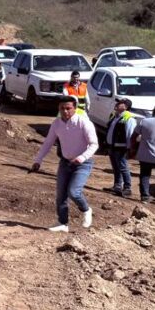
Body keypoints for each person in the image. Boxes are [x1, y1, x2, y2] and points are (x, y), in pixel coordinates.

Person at [30, 96, 98, 232]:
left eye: (68, 108)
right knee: (61, 195)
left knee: (74, 191)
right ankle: (62, 223)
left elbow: (94, 144)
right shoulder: (56, 124)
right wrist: (38, 160)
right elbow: (48, 143)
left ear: (75, 108)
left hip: (83, 163)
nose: (65, 111)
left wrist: (81, 158)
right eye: (62, 108)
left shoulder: (83, 122)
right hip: (65, 162)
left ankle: (86, 209)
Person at [130, 102, 155, 204]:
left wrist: (132, 149)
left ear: (154, 111)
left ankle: (145, 196)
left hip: (146, 154)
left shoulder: (145, 121)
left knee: (145, 175)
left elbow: (134, 136)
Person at [104, 99, 136, 198]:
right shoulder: (115, 116)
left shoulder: (129, 118)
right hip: (112, 146)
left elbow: (130, 134)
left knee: (123, 167)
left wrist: (129, 148)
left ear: (126, 107)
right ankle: (117, 186)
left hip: (121, 148)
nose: (117, 104)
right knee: (116, 167)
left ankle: (127, 188)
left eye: (120, 103)